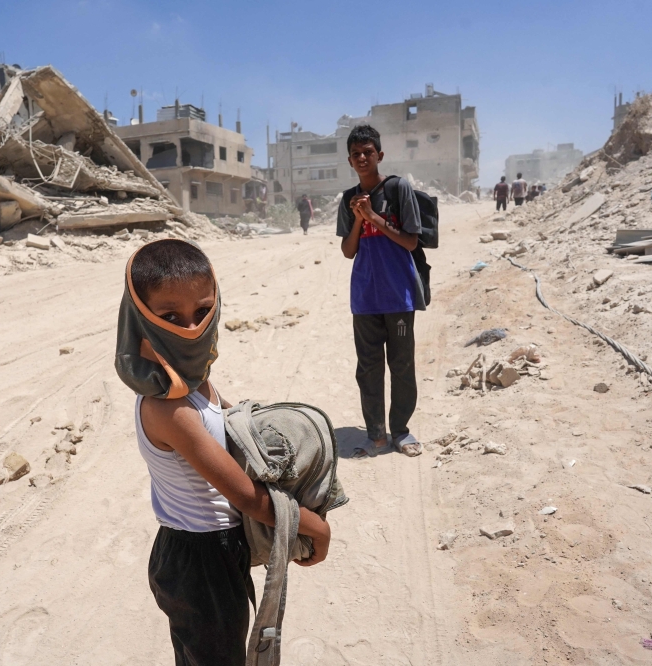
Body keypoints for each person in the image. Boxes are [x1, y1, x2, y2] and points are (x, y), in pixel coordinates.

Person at [117, 239, 331, 666]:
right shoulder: (168, 408)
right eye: (170, 316)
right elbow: (247, 497)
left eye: (202, 311)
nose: (192, 328)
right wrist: (316, 531)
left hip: (216, 551)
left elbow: (235, 428)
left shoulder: (193, 383)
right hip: (198, 561)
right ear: (141, 318)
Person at [336, 124, 425, 459]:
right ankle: (376, 434)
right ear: (349, 159)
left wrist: (373, 214)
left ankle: (400, 431)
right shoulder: (348, 199)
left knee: (401, 365)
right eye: (356, 154)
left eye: (367, 152)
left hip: (398, 294)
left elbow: (410, 241)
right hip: (364, 297)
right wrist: (359, 218)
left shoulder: (398, 189)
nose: (362, 158)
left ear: (379, 155)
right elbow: (348, 251)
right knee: (368, 368)